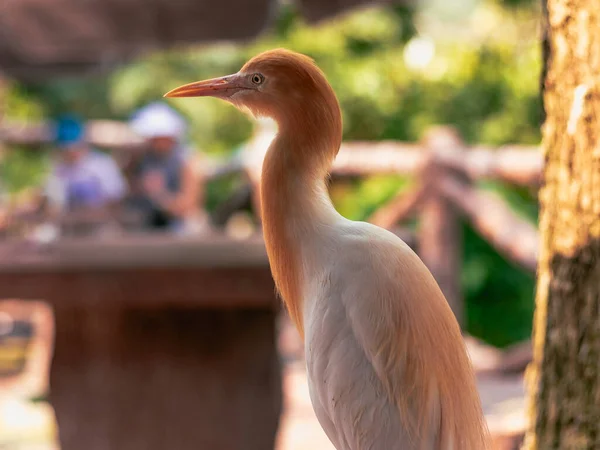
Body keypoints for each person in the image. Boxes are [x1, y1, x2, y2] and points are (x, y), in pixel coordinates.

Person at [127, 102, 207, 234]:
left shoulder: (188, 160)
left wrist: (158, 194)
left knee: (191, 226)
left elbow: (189, 206)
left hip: (179, 226)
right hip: (146, 222)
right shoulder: (141, 157)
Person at [43, 115, 127, 234]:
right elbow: (52, 205)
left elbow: (116, 200)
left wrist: (90, 213)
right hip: (68, 229)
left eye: (73, 147)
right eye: (65, 148)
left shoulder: (102, 164)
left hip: (100, 227)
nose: (70, 152)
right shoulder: (58, 169)